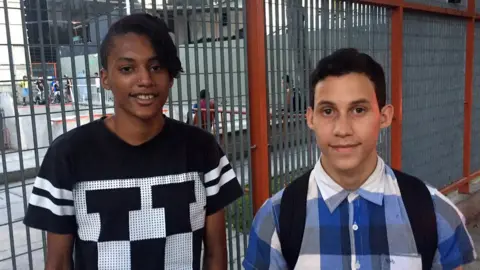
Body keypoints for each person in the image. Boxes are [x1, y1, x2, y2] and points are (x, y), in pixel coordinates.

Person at [23, 13, 243, 270]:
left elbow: (216, 254)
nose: (145, 80)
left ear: (170, 76)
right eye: (127, 68)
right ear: (105, 78)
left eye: (156, 67)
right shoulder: (67, 155)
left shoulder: (203, 150)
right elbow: (58, 262)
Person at [243, 48, 476, 270]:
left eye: (358, 110)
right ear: (310, 118)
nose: (342, 129)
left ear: (384, 117)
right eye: (327, 111)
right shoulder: (274, 220)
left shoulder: (436, 214)